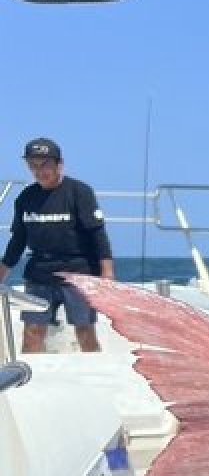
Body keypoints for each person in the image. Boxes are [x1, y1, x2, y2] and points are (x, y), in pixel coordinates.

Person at [0, 137, 114, 352]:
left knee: (85, 332)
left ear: (59, 164)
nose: (39, 170)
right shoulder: (25, 197)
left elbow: (97, 234)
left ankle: (92, 375)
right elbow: (17, 242)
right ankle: (31, 382)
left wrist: (107, 275)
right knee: (32, 332)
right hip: (39, 274)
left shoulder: (79, 192)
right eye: (33, 165)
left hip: (78, 274)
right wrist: (2, 273)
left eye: (45, 164)